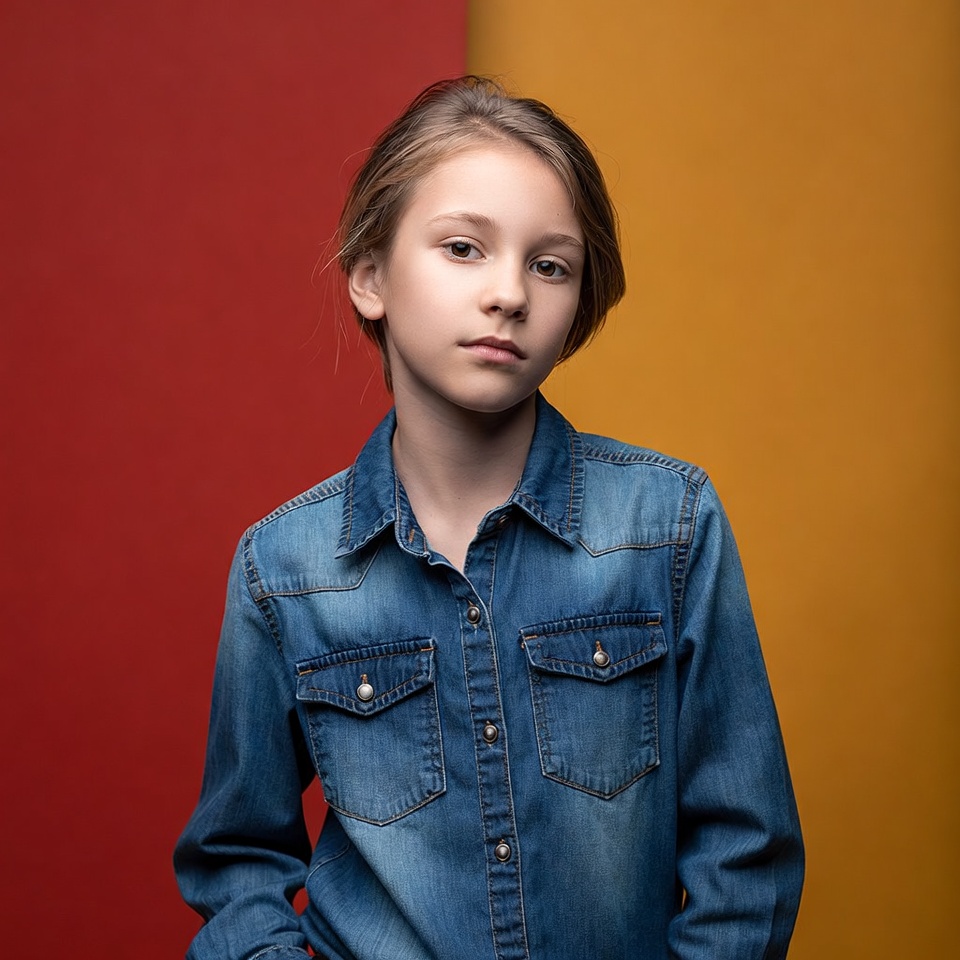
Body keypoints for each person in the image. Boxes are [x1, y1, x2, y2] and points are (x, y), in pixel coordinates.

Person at [174, 75, 804, 960]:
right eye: (465, 248)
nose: (510, 292)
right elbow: (237, 860)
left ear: (576, 307)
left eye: (550, 265)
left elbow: (748, 854)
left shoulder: (668, 525)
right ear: (369, 277)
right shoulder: (285, 568)